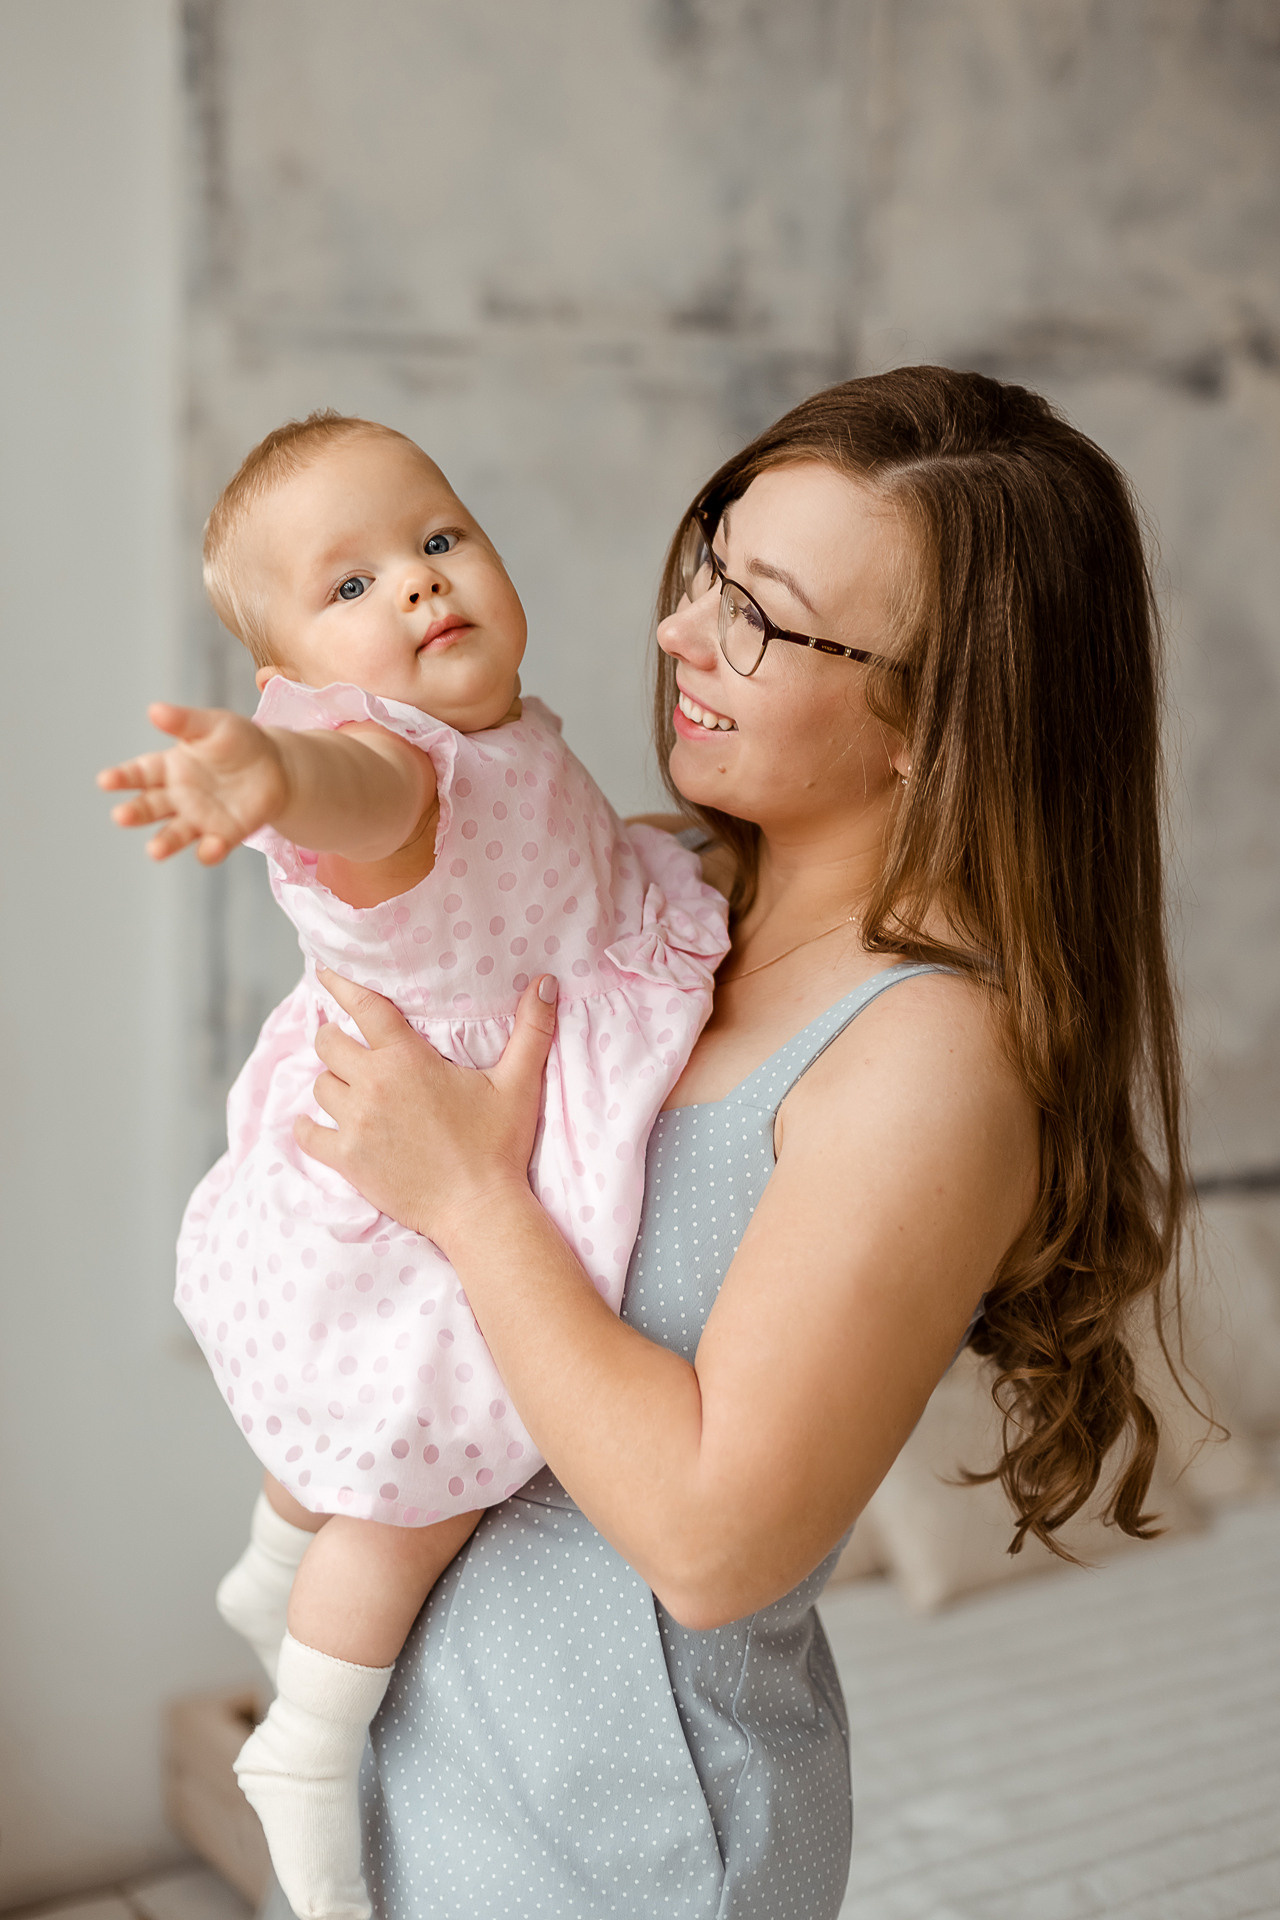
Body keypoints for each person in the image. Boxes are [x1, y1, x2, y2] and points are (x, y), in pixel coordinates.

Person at [294, 367, 1190, 1919]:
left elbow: (714, 1545)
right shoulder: (653, 893)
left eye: (762, 617)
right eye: (713, 559)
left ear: (940, 720)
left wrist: (463, 1197)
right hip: (420, 1775)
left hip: (624, 1847)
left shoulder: (931, 1056)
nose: (676, 632)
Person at [96, 412, 728, 1920]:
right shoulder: (390, 765)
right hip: (414, 1169)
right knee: (420, 1478)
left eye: (437, 540)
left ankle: (269, 1560)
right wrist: (268, 774)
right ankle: (308, 1744)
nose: (420, 588)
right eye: (351, 587)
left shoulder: (504, 732)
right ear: (295, 682)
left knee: (348, 1422)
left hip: (446, 1107)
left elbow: (560, 854)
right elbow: (359, 793)